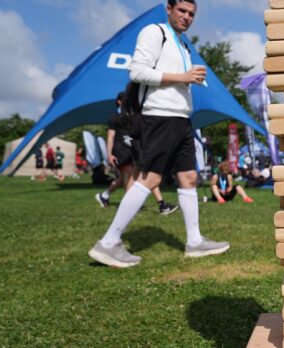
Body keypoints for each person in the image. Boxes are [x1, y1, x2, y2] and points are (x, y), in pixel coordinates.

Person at [89, 0, 229, 268]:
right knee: (150, 177)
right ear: (169, 8)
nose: (187, 17)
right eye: (182, 11)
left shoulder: (182, 43)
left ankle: (195, 241)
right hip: (160, 115)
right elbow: (137, 71)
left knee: (189, 177)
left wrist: (190, 78)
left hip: (180, 118)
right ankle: (108, 243)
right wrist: (183, 77)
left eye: (191, 14)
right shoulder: (155, 32)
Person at [95, 92, 179, 216]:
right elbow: (110, 137)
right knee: (132, 175)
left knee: (133, 176)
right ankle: (143, 205)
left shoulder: (132, 116)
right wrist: (109, 154)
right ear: (119, 101)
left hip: (133, 149)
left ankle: (105, 195)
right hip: (120, 151)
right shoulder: (114, 118)